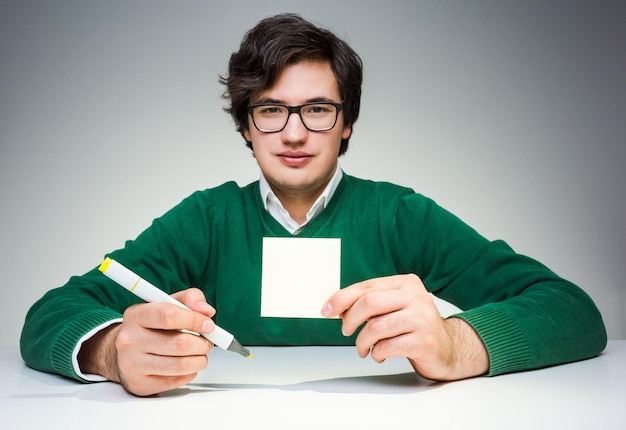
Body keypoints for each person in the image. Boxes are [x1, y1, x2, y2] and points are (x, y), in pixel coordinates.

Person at [21, 13, 607, 397]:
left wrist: (459, 344)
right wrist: (110, 352)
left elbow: (573, 311)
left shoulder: (400, 215)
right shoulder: (205, 220)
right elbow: (51, 312)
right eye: (271, 110)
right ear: (246, 128)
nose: (294, 133)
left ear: (346, 123)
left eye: (317, 109)